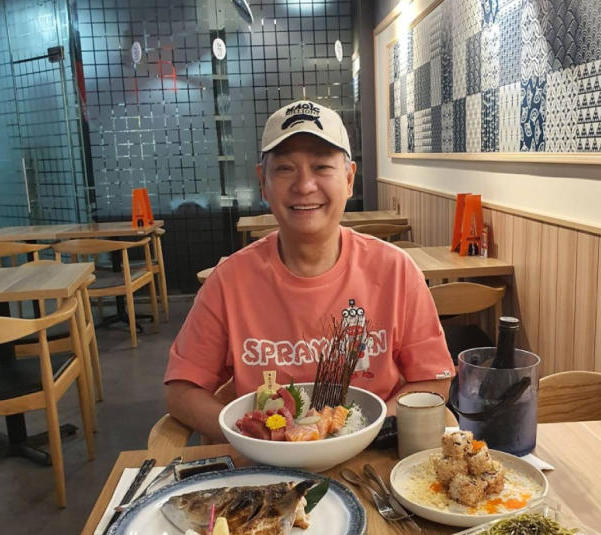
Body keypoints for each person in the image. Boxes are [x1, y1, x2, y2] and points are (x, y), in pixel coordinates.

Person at [164, 100, 454, 441]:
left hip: (369, 462)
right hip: (264, 471)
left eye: (321, 167)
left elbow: (434, 379)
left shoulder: (396, 271)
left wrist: (362, 432)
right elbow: (182, 391)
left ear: (349, 179)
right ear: (263, 182)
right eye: (285, 168)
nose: (304, 185)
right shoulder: (228, 281)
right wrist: (248, 436)